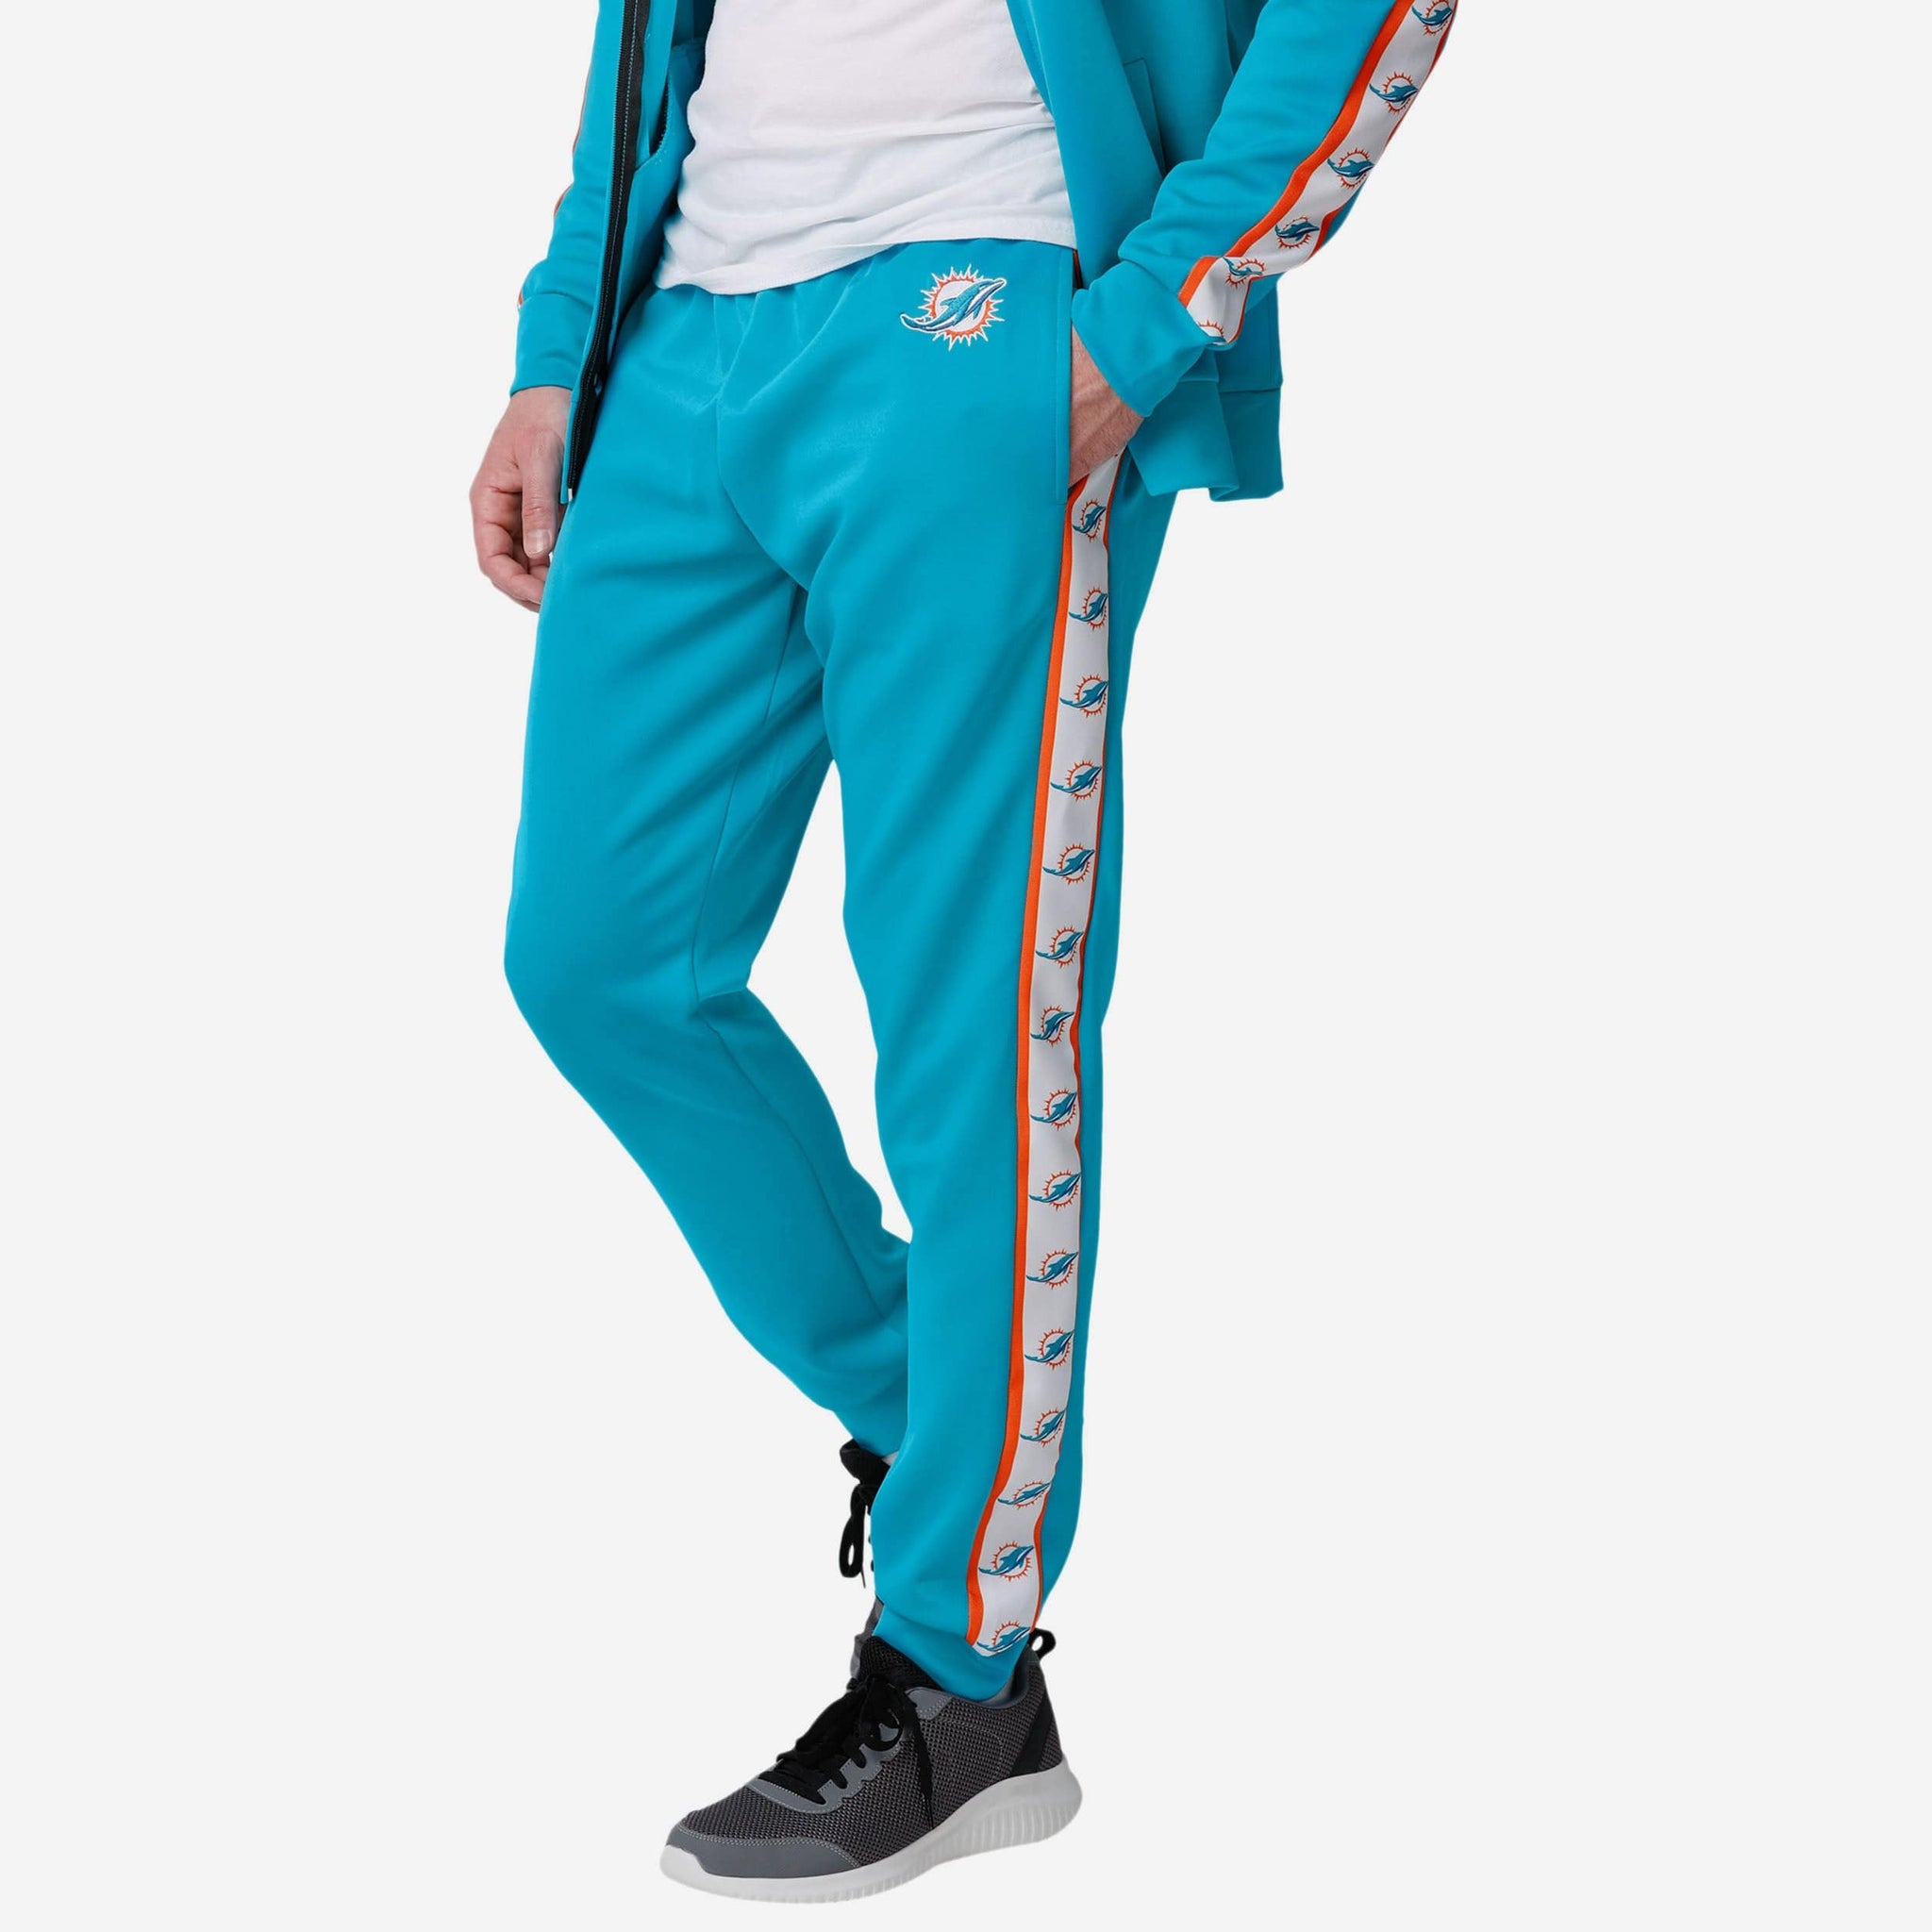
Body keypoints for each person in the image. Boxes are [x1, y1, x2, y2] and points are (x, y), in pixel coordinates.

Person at [470, 0, 1454, 1901]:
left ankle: (959, 1675)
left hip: (980, 308)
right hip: (685, 332)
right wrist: (558, 342)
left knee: (972, 1024)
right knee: (597, 962)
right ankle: (959, 1432)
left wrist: (1157, 310)